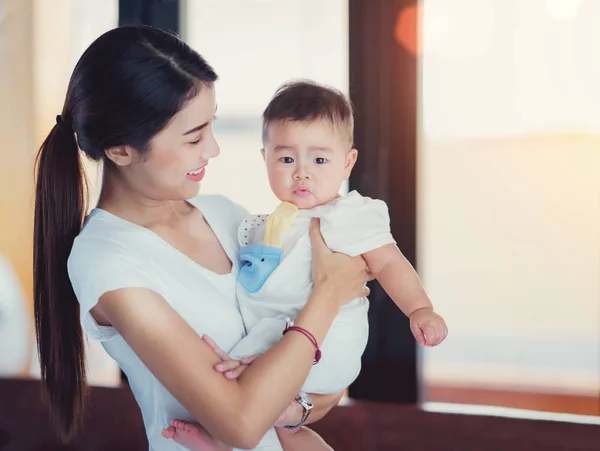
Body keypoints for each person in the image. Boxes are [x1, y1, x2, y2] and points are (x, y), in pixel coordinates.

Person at [33, 25, 370, 451]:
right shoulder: (107, 262)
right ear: (121, 151)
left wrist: (295, 408)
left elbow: (331, 376)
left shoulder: (226, 215)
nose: (212, 149)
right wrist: (328, 292)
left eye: (210, 126)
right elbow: (242, 425)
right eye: (193, 137)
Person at [166, 81, 449, 450]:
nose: (301, 173)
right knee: (284, 428)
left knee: (235, 383)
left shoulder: (348, 215)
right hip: (282, 342)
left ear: (347, 162)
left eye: (319, 159)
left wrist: (420, 308)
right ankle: (236, 434)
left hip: (327, 342)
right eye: (286, 159)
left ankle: (221, 437)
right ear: (264, 158)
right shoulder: (260, 224)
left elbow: (388, 262)